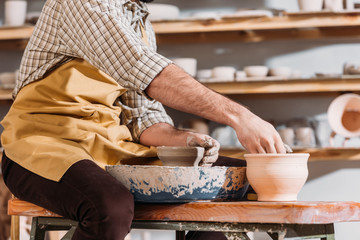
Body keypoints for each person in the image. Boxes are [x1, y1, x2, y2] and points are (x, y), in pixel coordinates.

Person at [1, 0, 286, 239]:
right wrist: (240, 117)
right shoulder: (81, 2)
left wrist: (185, 141)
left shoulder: (137, 20)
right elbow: (140, 67)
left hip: (109, 146)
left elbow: (144, 120)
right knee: (110, 206)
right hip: (41, 145)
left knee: (231, 181)